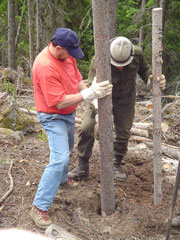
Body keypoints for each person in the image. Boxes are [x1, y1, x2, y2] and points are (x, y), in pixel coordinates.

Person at [31, 27, 112, 229]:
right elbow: (58, 102)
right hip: (53, 116)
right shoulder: (45, 66)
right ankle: (39, 207)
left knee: (66, 151)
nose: (72, 57)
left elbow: (77, 80)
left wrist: (90, 94)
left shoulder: (67, 56)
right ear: (58, 48)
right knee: (59, 159)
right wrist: (87, 95)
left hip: (68, 113)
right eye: (69, 52)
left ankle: (63, 180)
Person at [68, 36, 166, 182]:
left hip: (125, 98)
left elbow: (145, 71)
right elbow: (92, 88)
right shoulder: (99, 59)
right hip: (100, 96)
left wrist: (153, 81)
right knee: (86, 127)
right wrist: (97, 115)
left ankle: (116, 162)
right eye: (116, 64)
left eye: (123, 64)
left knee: (124, 131)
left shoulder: (137, 54)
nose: (120, 67)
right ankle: (82, 166)